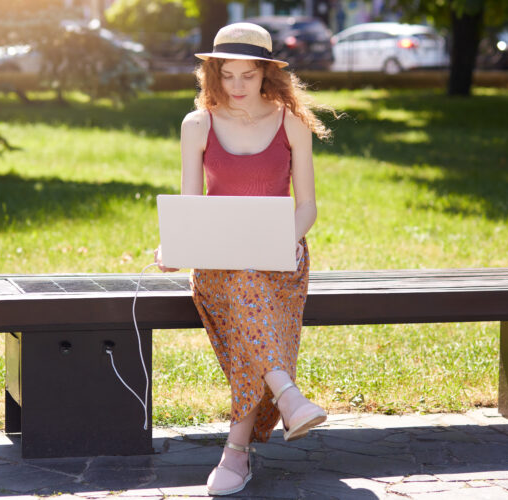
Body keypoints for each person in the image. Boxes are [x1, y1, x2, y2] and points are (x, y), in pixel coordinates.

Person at [155, 22, 332, 496]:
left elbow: (308, 205)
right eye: (226, 75)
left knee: (251, 291)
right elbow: (192, 206)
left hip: (280, 260)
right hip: (218, 262)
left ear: (266, 75)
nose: (235, 86)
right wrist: (175, 246)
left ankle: (237, 452)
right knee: (244, 284)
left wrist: (288, 240)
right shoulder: (197, 124)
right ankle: (285, 396)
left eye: (247, 76)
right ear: (213, 73)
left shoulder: (291, 123)